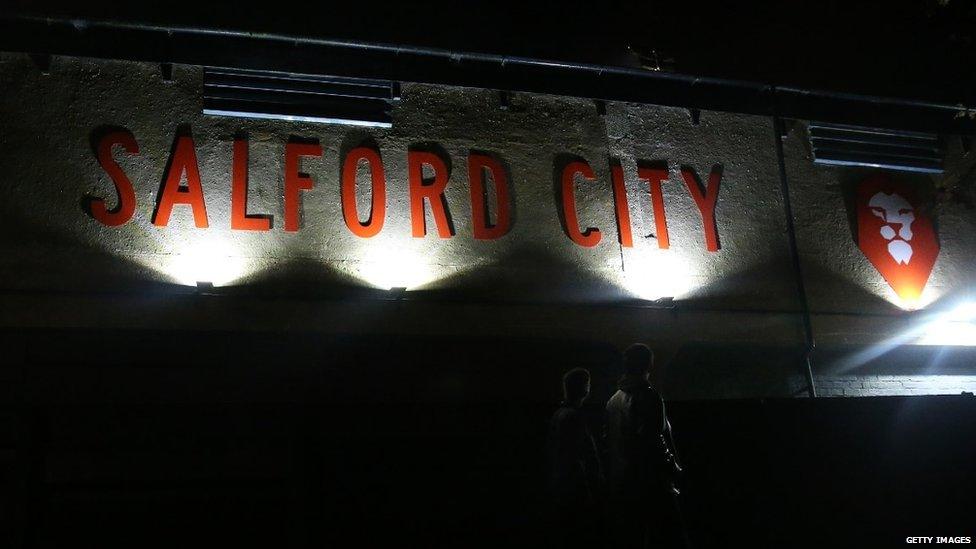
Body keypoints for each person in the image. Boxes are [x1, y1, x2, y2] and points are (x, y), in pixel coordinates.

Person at [605, 344, 683, 548]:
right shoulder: (649, 396)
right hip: (649, 483)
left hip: (622, 482)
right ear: (649, 364)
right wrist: (673, 468)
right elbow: (655, 440)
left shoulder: (613, 401)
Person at [547, 367, 603, 549]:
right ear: (585, 388)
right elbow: (579, 456)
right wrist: (589, 486)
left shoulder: (559, 414)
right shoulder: (574, 417)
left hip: (561, 484)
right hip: (575, 486)